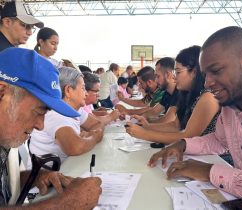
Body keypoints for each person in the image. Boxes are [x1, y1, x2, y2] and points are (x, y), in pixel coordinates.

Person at [148, 26, 242, 210]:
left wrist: (210, 172)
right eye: (205, 74)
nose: (207, 83)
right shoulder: (230, 105)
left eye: (216, 71)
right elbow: (219, 140)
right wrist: (183, 144)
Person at [0, 48, 101, 209]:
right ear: (2, 93)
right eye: (39, 111)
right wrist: (66, 204)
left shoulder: (4, 139)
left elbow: (4, 181)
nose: (40, 125)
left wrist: (37, 176)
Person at [126, 46, 220, 145]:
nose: (174, 77)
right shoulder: (188, 95)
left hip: (214, 158)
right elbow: (176, 126)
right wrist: (146, 126)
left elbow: (188, 137)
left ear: (194, 72)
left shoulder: (208, 97)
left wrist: (144, 134)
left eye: (178, 72)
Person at [29, 67, 104, 164]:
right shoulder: (54, 113)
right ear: (68, 90)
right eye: (83, 88)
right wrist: (94, 137)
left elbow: (97, 123)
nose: (86, 93)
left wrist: (89, 136)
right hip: (47, 175)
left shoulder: (74, 108)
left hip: (67, 168)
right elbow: (75, 147)